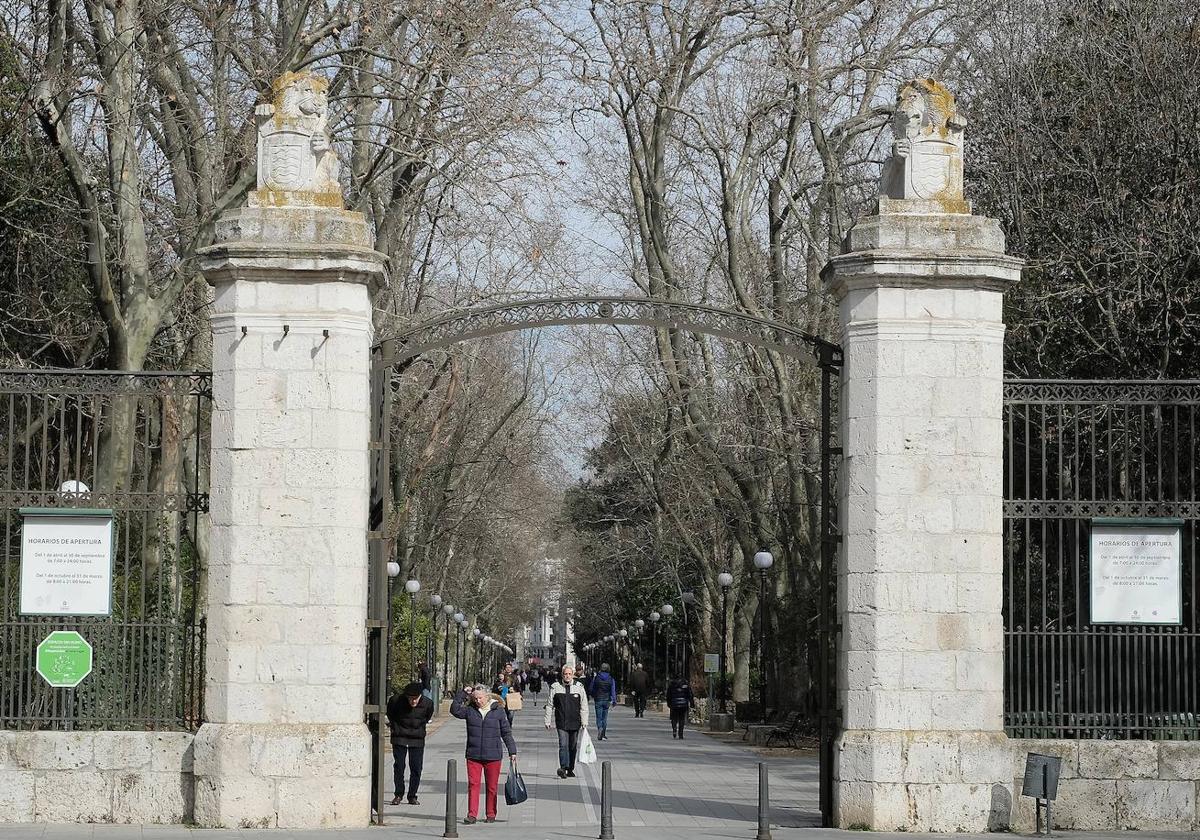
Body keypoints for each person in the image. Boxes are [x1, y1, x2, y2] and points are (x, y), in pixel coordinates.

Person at [450, 683, 518, 824]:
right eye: (475, 699)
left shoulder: (498, 711)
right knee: (473, 784)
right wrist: (462, 693)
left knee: (492, 786)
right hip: (473, 754)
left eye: (480, 698)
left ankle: (491, 813)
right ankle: (472, 815)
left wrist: (512, 751)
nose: (478, 701)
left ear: (487, 696)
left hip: (493, 755)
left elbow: (506, 732)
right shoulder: (470, 710)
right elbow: (455, 710)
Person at [386, 681, 434, 805]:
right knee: (399, 766)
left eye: (416, 699)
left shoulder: (428, 703)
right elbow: (390, 714)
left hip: (417, 738)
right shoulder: (396, 701)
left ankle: (412, 795)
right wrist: (395, 728)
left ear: (420, 696)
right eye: (410, 699)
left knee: (416, 767)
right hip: (399, 737)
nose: (413, 702)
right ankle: (398, 794)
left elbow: (427, 717)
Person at [544, 664, 588, 778]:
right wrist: (547, 721)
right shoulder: (555, 687)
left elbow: (584, 705)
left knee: (572, 746)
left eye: (569, 674)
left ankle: (570, 768)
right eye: (565, 674)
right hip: (561, 722)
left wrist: (584, 722)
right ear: (562, 675)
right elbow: (549, 705)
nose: (567, 676)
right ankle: (563, 768)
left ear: (572, 675)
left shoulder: (579, 687)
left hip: (575, 722)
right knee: (563, 745)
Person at [590, 662, 617, 740]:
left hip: (598, 699)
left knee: (599, 717)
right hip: (606, 700)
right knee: (604, 718)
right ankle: (603, 734)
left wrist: (593, 694)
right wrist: (614, 700)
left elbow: (591, 688)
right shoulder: (611, 679)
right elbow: (613, 691)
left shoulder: (596, 678)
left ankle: (600, 729)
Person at [666, 675, 695, 739]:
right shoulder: (686, 685)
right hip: (683, 704)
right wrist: (692, 703)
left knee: (674, 718)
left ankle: (674, 730)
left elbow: (668, 695)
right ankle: (680, 734)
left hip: (674, 704)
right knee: (682, 718)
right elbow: (690, 694)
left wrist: (669, 703)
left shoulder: (671, 685)